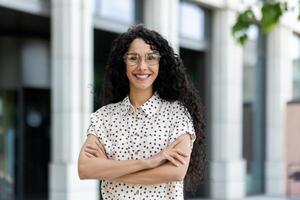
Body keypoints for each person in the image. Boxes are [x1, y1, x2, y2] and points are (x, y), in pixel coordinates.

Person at [78, 24, 206, 200]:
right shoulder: (104, 117)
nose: (142, 66)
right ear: (123, 63)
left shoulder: (177, 114)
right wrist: (149, 162)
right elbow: (85, 169)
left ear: (161, 63)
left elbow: (176, 171)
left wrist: (109, 169)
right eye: (133, 58)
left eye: (150, 58)